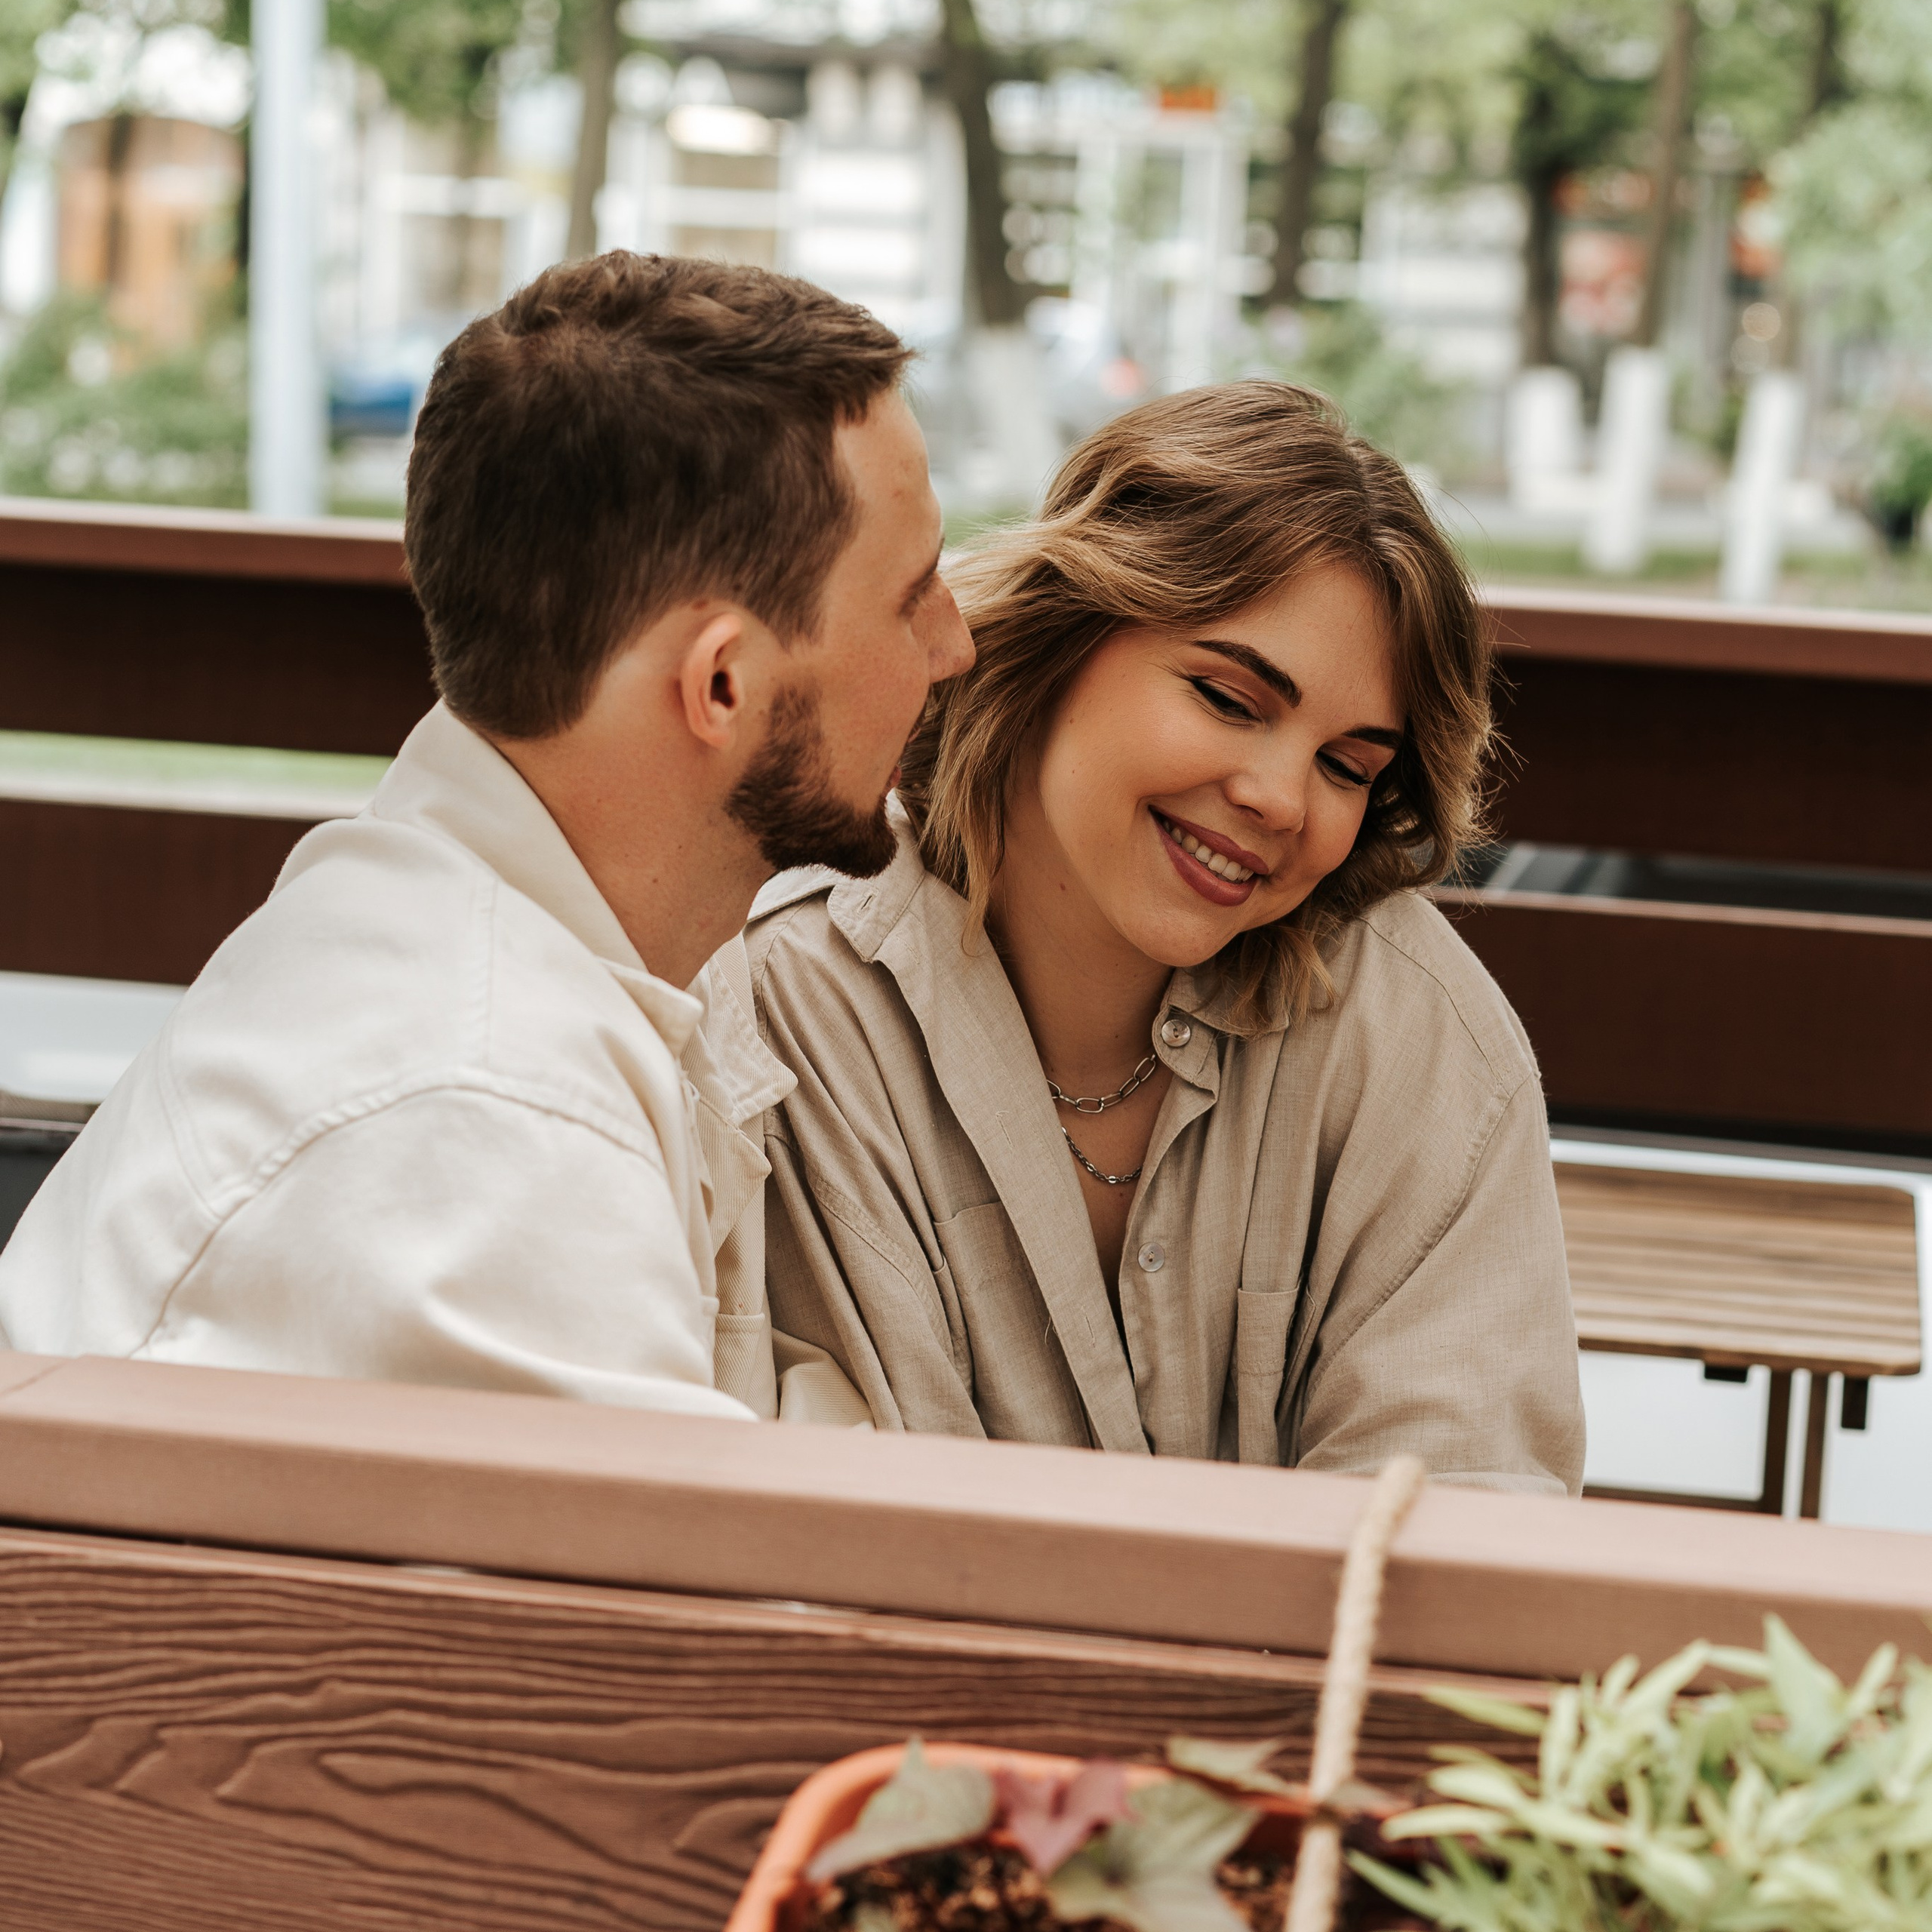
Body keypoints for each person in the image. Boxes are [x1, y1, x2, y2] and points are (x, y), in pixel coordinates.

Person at [0, 252, 973, 1423]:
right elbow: (671, 1539)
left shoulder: (473, 937)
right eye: (912, 594)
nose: (954, 644)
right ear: (721, 684)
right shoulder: (493, 1129)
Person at [748, 381, 1585, 1491]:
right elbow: (865, 1531)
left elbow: (1461, 1513)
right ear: (1064, 635)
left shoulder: (1416, 1033)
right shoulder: (798, 1000)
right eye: (1230, 700)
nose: (1281, 800)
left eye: (1347, 767)